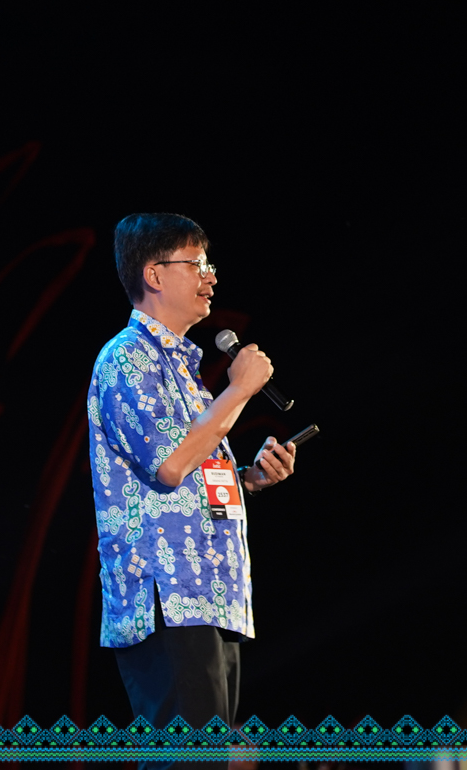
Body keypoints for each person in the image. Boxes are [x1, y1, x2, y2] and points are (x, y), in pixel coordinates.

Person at [89, 213, 300, 737]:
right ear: (154, 275)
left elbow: (192, 467)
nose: (211, 277)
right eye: (197, 264)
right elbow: (169, 464)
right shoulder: (125, 358)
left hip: (212, 595)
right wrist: (240, 389)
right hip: (166, 597)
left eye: (209, 265)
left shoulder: (183, 369)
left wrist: (248, 478)